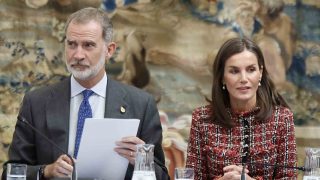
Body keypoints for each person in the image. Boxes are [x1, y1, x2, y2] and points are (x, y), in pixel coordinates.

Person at [2, 7, 169, 180]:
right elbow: (9, 173)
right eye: (71, 44)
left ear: (109, 50)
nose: (78, 55)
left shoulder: (142, 104)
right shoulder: (36, 102)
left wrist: (142, 161)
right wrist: (46, 171)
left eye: (88, 45)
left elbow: (163, 176)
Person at [186, 37, 297, 179]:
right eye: (234, 71)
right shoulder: (202, 119)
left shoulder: (282, 119)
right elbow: (191, 177)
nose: (243, 78)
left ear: (260, 73)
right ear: (222, 77)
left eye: (251, 70)